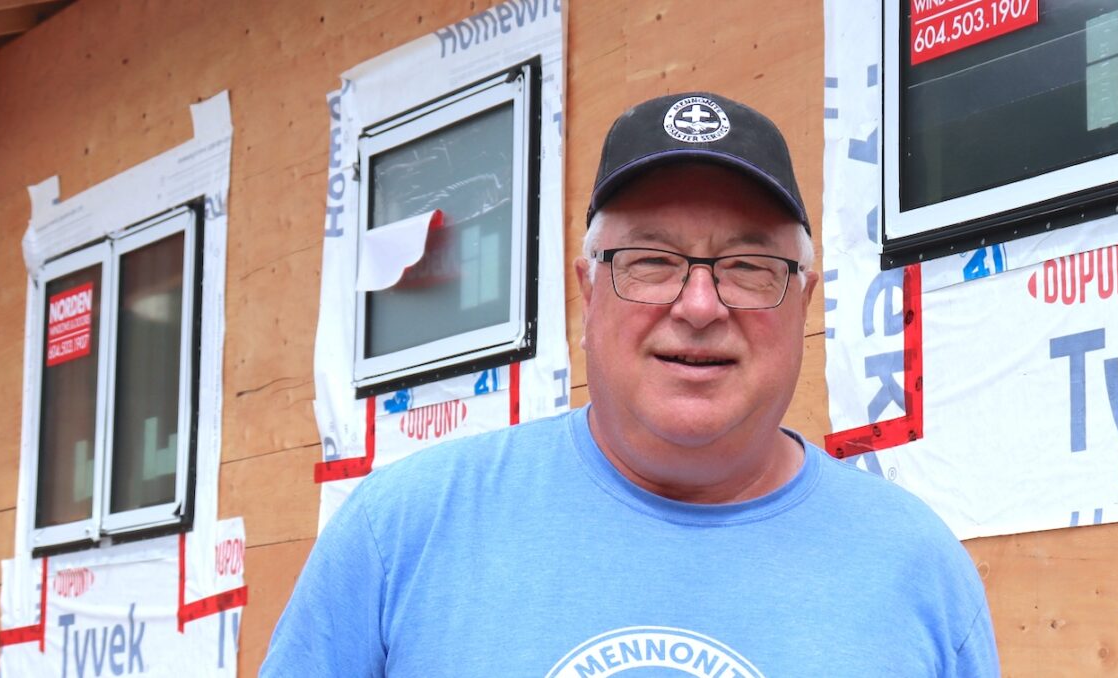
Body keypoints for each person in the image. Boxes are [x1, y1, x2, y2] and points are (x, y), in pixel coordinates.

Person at [262, 92, 998, 676]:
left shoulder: (918, 570)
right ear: (588, 292)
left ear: (803, 299)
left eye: (748, 266)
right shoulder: (402, 534)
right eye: (650, 260)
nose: (701, 306)